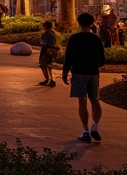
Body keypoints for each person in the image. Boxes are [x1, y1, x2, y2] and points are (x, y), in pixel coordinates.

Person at [63, 12, 106, 143]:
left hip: (79, 73)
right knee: (95, 100)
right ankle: (95, 127)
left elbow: (69, 57)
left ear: (78, 23)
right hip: (93, 73)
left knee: (82, 101)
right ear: (92, 23)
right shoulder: (96, 39)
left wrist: (65, 72)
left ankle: (85, 131)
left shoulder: (74, 38)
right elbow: (102, 60)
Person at [38, 20, 59, 87]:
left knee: (44, 65)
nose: (43, 27)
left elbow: (44, 42)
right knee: (49, 65)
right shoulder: (52, 32)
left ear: (46, 26)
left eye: (43, 25)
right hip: (51, 51)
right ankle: (50, 80)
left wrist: (42, 41)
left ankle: (49, 79)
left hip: (46, 51)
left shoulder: (47, 33)